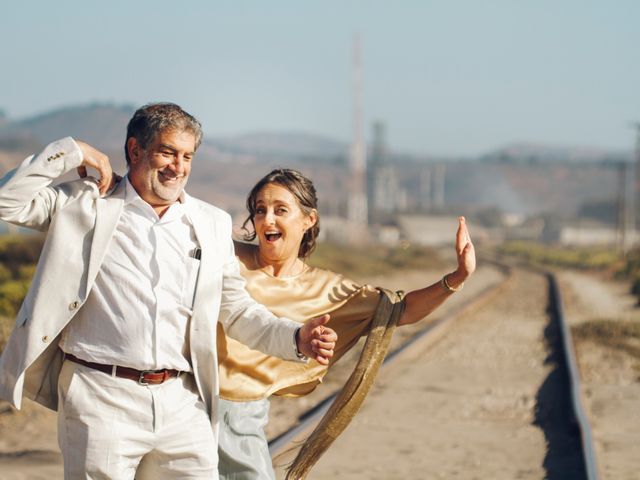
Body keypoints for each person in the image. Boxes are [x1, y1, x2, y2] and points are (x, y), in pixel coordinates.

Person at [0, 104, 337, 479]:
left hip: (184, 403)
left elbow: (237, 310)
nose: (178, 166)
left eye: (187, 156)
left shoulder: (210, 223)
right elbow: (6, 201)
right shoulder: (86, 203)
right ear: (134, 150)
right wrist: (73, 150)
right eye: (167, 152)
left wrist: (295, 337)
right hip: (100, 397)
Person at [216, 168, 476, 479]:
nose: (266, 219)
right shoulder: (224, 257)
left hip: (241, 420)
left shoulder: (329, 291)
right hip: (183, 400)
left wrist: (457, 277)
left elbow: (401, 309)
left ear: (308, 220)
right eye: (260, 210)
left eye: (280, 210)